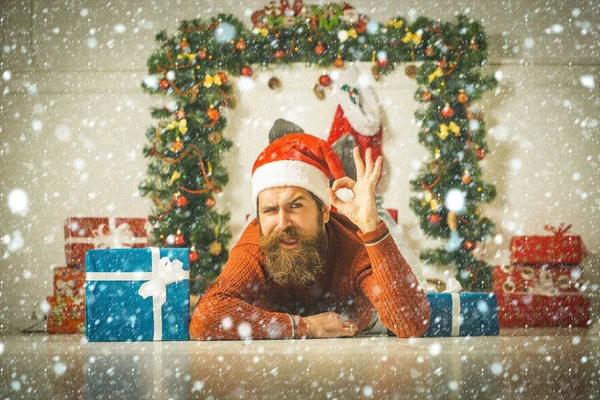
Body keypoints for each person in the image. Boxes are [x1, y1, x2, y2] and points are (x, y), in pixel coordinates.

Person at [189, 133, 430, 340]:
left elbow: (412, 324)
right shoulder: (256, 245)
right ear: (258, 217)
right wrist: (304, 326)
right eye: (270, 210)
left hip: (361, 335)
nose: (282, 223)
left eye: (295, 206)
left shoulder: (353, 248)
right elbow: (205, 318)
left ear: (325, 210)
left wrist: (370, 225)